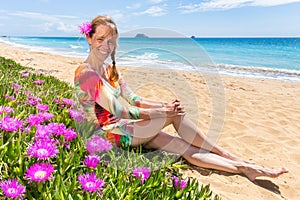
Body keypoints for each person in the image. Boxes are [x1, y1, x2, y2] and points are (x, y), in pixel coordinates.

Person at [74, 15, 288, 181]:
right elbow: (121, 110)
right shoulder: (86, 74)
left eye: (110, 41)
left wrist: (164, 105)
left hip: (124, 128)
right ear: (89, 38)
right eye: (100, 39)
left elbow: (135, 100)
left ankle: (244, 168)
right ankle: (229, 155)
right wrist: (164, 113)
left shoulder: (110, 70)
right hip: (105, 137)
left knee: (183, 147)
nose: (106, 46)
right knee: (174, 117)